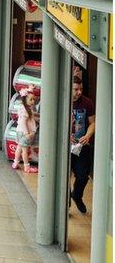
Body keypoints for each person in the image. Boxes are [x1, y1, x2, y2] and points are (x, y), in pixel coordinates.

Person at [70, 76, 95, 214]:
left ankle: (77, 196)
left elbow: (92, 122)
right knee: (63, 176)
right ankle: (64, 205)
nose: (79, 92)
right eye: (76, 89)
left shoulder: (87, 103)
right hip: (65, 145)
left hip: (82, 146)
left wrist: (88, 135)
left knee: (82, 176)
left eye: (81, 89)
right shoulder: (63, 100)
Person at [12, 88, 39, 173]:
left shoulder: (23, 108)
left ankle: (15, 162)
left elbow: (31, 116)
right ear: (25, 99)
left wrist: (38, 116)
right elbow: (24, 122)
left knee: (19, 148)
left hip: (19, 132)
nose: (33, 101)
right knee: (25, 150)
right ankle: (26, 167)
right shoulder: (25, 110)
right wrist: (27, 133)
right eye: (31, 99)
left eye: (34, 99)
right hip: (25, 133)